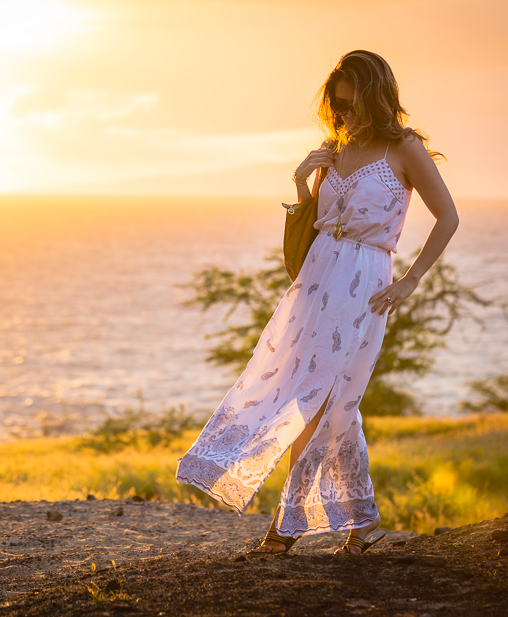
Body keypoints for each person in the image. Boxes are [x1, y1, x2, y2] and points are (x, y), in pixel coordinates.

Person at [175, 50, 459, 555]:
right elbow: (315, 227)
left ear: (374, 97)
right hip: (315, 283)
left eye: (351, 103)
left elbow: (448, 218)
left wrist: (411, 281)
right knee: (323, 402)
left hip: (365, 284)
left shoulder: (405, 149)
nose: (344, 114)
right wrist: (304, 182)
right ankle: (363, 523)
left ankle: (285, 531)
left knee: (321, 402)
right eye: (337, 104)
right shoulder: (334, 148)